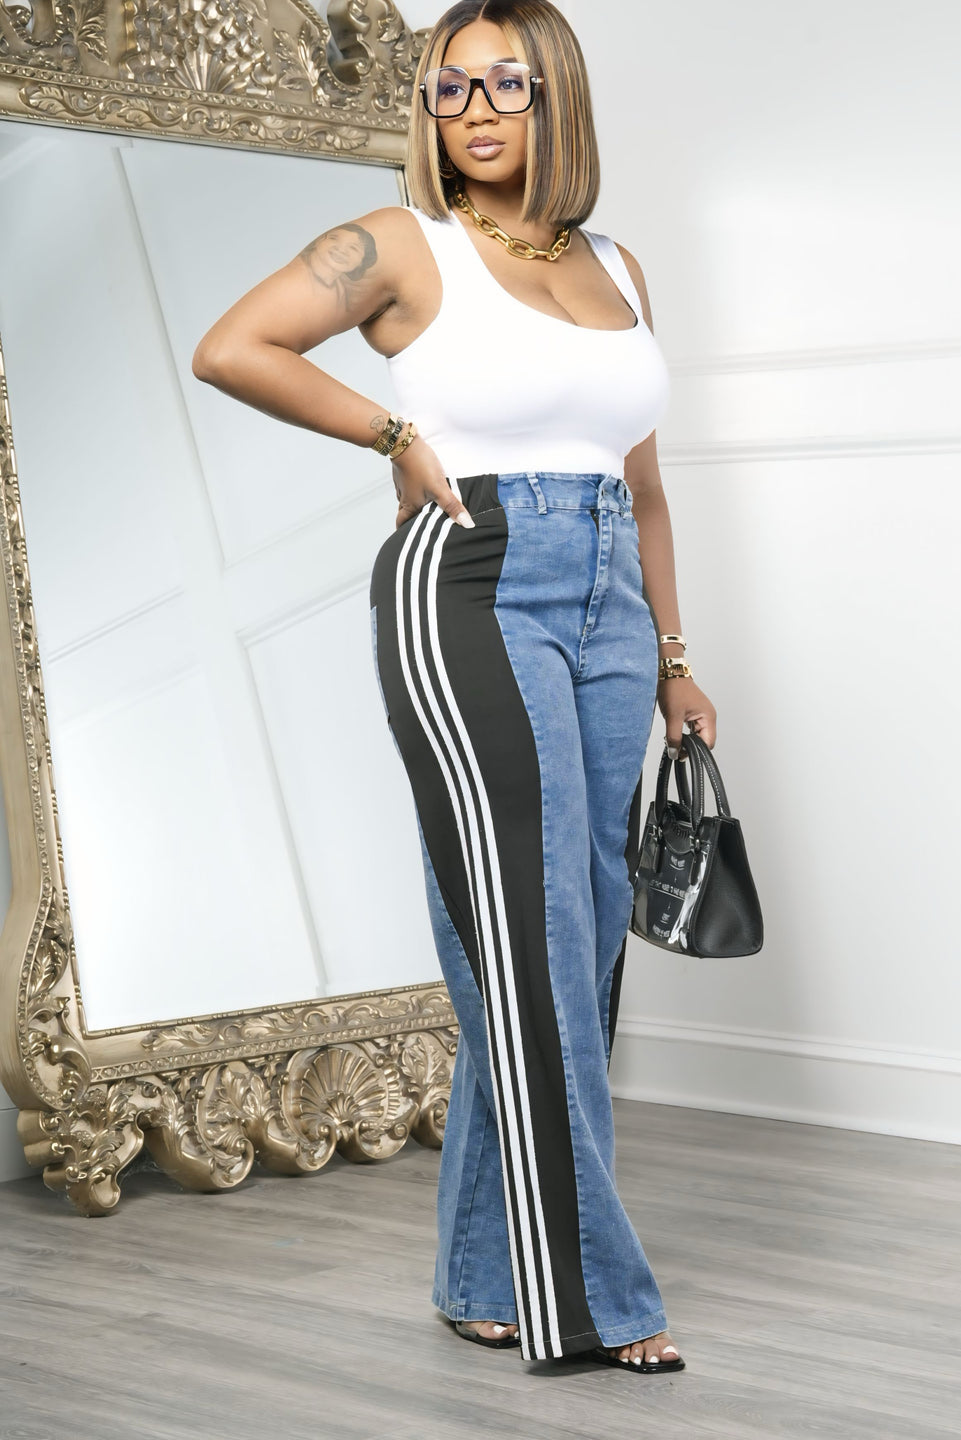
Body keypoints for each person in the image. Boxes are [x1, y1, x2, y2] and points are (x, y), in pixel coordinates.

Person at [192, 0, 716, 1375]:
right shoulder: (399, 244)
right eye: (450, 88)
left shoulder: (619, 265)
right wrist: (392, 432)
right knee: (529, 938)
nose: (476, 110)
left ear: (557, 98)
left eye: (507, 84)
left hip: (608, 603)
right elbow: (233, 345)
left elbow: (646, 490)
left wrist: (674, 658)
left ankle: (483, 1268)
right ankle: (590, 1300)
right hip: (470, 581)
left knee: (575, 945)